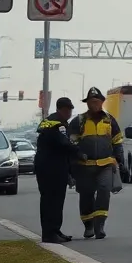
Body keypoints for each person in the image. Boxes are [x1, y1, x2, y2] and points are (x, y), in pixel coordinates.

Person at [68, 87, 127, 240]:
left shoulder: (110, 120)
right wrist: (75, 160)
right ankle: (88, 225)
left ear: (102, 102)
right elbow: (71, 144)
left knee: (104, 190)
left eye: (97, 101)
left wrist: (118, 158)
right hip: (84, 166)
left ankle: (99, 225)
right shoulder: (78, 121)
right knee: (86, 195)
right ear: (87, 103)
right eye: (91, 102)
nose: (94, 104)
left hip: (105, 165)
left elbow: (118, 141)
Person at [35, 97, 84, 244]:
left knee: (57, 201)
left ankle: (55, 230)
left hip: (54, 167)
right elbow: (64, 144)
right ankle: (49, 233)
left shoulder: (53, 122)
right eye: (68, 110)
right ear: (63, 109)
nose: (70, 113)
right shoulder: (56, 124)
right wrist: (80, 153)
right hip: (51, 168)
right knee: (51, 201)